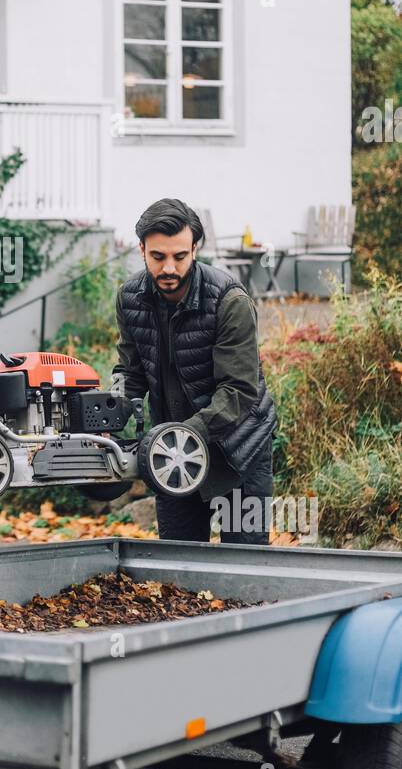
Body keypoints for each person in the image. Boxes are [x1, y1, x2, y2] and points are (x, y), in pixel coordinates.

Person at [110, 198, 278, 543]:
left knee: (245, 570)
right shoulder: (129, 298)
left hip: (238, 452)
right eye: (158, 257)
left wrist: (179, 436)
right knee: (178, 564)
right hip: (174, 456)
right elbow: (131, 373)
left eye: (179, 256)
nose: (169, 268)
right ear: (142, 249)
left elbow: (239, 391)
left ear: (194, 249)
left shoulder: (229, 300)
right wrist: (108, 417)